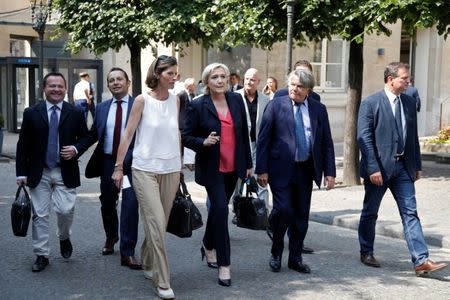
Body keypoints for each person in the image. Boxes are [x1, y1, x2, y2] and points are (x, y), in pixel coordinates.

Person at [357, 62, 447, 276]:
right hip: (378, 169)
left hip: (403, 168)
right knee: (370, 212)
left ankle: (421, 260)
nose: (409, 82)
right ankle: (366, 250)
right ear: (391, 79)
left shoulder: (408, 102)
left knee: (410, 212)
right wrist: (372, 168)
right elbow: (364, 138)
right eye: (404, 78)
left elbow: (412, 137)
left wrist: (416, 165)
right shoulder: (370, 103)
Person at [112, 55, 180, 299]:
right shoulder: (142, 100)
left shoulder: (176, 101)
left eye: (175, 73)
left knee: (158, 224)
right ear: (158, 74)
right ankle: (162, 280)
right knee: (156, 223)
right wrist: (119, 167)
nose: (175, 78)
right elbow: (128, 134)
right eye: (170, 73)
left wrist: (182, 164)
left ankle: (149, 260)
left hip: (171, 169)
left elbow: (175, 134)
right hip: (144, 170)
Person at [256, 69, 336, 274]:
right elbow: (263, 139)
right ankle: (276, 252)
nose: (294, 89)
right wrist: (262, 169)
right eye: (292, 84)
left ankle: (295, 258)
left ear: (308, 89)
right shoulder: (276, 105)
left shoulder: (319, 109)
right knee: (283, 210)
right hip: (280, 168)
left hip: (306, 169)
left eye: (299, 86)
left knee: (301, 216)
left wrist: (330, 172)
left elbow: (326, 142)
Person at [182, 63, 252, 287]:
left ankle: (207, 244)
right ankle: (224, 265)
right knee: (221, 209)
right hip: (212, 168)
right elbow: (185, 136)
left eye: (223, 76)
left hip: (234, 167)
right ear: (206, 81)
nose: (220, 80)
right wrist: (203, 142)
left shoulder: (236, 100)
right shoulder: (197, 105)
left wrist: (248, 164)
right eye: (215, 77)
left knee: (218, 211)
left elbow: (244, 135)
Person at [16, 72, 88, 272]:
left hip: (65, 170)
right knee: (39, 214)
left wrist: (75, 149)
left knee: (65, 210)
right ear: (44, 89)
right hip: (39, 172)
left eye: (60, 86)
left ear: (65, 89)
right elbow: (23, 145)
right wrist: (21, 173)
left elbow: (85, 137)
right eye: (52, 86)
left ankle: (64, 237)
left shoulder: (74, 112)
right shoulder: (32, 112)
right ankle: (41, 254)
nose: (56, 89)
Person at [75, 67, 141, 269]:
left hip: (131, 163)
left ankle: (127, 252)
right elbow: (93, 134)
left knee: (130, 203)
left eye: (119, 79)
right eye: (111, 80)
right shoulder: (102, 108)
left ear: (128, 82)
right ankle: (111, 236)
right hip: (107, 162)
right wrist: (77, 148)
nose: (115, 83)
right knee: (107, 202)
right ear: (108, 84)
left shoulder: (138, 105)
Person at [234, 68, 270, 208]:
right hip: (240, 146)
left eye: (253, 79)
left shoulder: (265, 100)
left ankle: (263, 214)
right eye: (247, 79)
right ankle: (239, 211)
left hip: (258, 145)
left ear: (258, 82)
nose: (249, 82)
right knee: (238, 181)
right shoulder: (234, 97)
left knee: (260, 180)